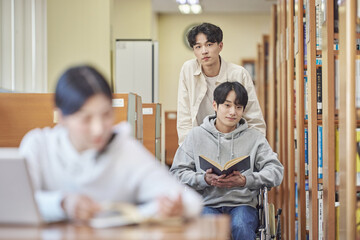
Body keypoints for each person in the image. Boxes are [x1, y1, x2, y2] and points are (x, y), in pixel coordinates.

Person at [19, 65, 202, 222]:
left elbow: (191, 202)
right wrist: (62, 203)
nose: (99, 129)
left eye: (106, 115)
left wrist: (176, 208)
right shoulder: (38, 145)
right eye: (86, 119)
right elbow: (12, 204)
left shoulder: (124, 148)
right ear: (61, 117)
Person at [170, 81, 283, 239]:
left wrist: (245, 180)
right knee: (209, 228)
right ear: (215, 106)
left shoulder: (254, 138)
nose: (233, 112)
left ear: (243, 110)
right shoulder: (196, 136)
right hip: (206, 203)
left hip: (242, 205)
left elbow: (276, 172)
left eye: (238, 107)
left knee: (241, 225)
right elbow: (176, 173)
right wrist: (203, 179)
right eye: (227, 105)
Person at [177, 22, 266, 145]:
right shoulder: (188, 69)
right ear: (194, 50)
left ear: (220, 46)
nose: (204, 51)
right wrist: (187, 149)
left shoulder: (239, 74)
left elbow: (254, 119)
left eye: (209, 44)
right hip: (200, 142)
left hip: (234, 141)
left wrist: (254, 150)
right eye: (198, 47)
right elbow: (184, 117)